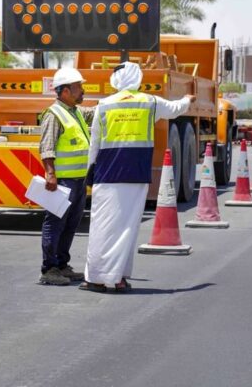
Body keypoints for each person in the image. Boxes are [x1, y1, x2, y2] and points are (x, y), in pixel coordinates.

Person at [80, 62, 195, 293]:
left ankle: (97, 278)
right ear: (138, 78)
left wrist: (89, 170)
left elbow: (95, 142)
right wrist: (187, 99)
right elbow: (174, 109)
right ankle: (118, 278)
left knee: (102, 226)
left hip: (107, 173)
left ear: (116, 80)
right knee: (128, 228)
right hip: (136, 172)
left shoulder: (104, 105)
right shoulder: (150, 102)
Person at [37, 67, 95, 286]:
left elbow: (97, 112)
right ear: (65, 91)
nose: (83, 91)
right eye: (79, 87)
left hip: (79, 181)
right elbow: (47, 147)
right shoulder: (54, 115)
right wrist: (50, 174)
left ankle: (62, 265)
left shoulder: (76, 112)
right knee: (55, 224)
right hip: (62, 182)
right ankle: (49, 269)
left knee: (70, 224)